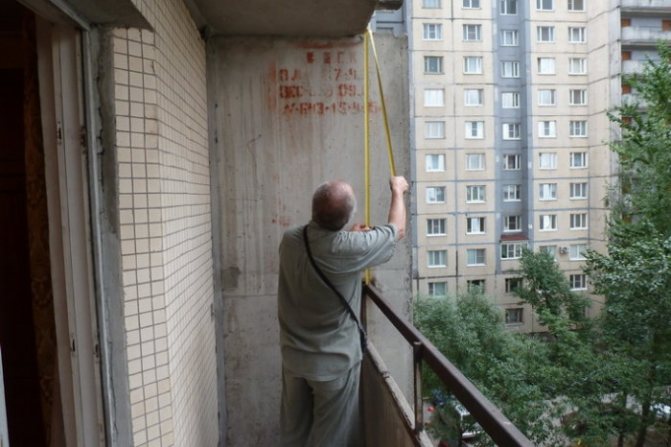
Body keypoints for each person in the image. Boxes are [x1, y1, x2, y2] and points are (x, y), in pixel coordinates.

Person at [277, 176, 409, 447]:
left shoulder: (290, 240)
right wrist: (398, 190)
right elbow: (397, 229)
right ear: (347, 217)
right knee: (330, 439)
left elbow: (324, 247)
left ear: (313, 208)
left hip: (293, 359)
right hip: (333, 364)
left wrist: (348, 237)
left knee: (293, 436)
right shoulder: (347, 249)